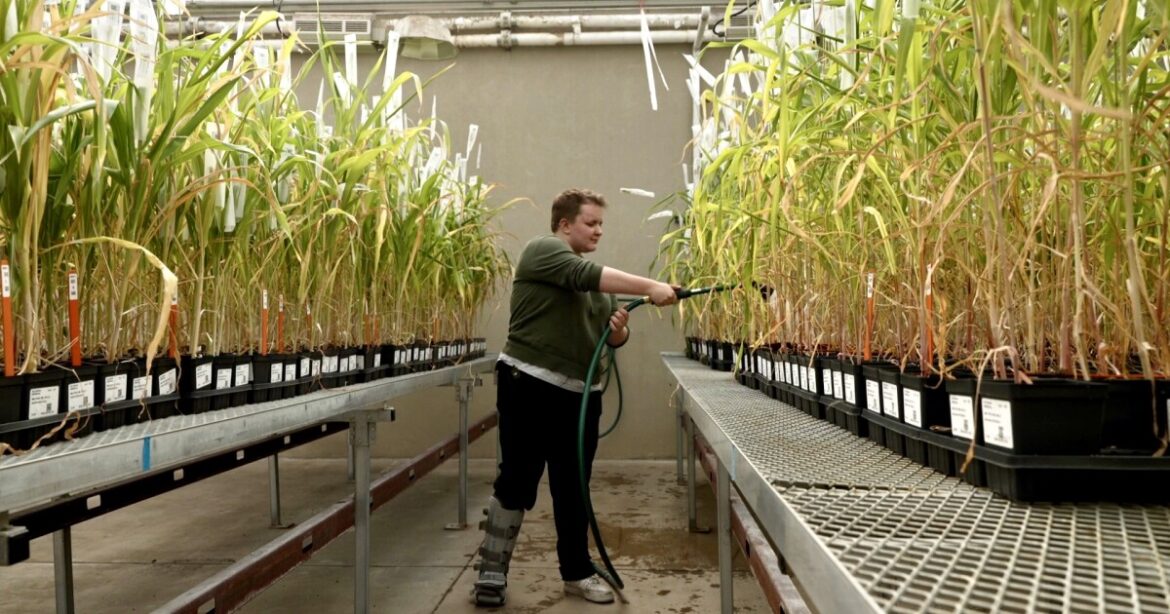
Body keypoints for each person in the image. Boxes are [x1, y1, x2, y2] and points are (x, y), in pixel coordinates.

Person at [473, 188, 679, 607]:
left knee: (573, 487)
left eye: (602, 223)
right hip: (528, 384)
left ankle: (577, 572)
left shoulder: (597, 286)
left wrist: (619, 328)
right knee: (517, 478)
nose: (599, 230)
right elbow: (585, 276)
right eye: (591, 222)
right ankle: (492, 570)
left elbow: (613, 336)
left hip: (579, 396)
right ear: (565, 224)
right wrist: (653, 285)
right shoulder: (543, 251)